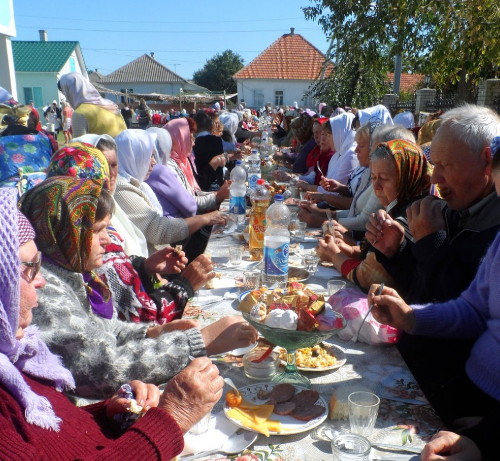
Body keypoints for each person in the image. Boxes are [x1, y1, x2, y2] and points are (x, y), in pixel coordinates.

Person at [0, 187, 224, 459]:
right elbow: (101, 366)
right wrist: (173, 419)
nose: (41, 279)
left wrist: (106, 413)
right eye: (28, 268)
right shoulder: (47, 300)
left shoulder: (17, 352)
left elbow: (52, 430)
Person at [20, 176, 258, 399]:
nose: (108, 240)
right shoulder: (42, 290)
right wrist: (200, 341)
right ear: (64, 232)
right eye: (96, 231)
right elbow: (101, 368)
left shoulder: (64, 272)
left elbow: (95, 328)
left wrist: (150, 333)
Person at [366, 104, 500, 304]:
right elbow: (419, 295)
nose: (434, 178)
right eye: (434, 164)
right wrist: (397, 251)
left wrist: (431, 242)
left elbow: (463, 314)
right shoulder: (452, 211)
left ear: (487, 160)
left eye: (444, 165)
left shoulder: (493, 232)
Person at [317, 139, 431, 293]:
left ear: (407, 178)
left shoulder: (413, 216)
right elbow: (378, 253)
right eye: (373, 178)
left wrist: (333, 254)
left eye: (383, 178)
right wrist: (350, 250)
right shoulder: (397, 206)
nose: (376, 187)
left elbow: (369, 277)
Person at [113, 129, 227, 256]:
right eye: (148, 156)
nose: (154, 162)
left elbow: (192, 193)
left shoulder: (139, 182)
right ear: (133, 157)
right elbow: (158, 230)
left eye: (154, 155)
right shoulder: (122, 188)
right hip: (156, 256)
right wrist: (206, 217)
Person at [58, 72, 127, 137]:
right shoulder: (110, 105)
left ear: (70, 91)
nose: (67, 99)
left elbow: (80, 147)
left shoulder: (80, 114)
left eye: (65, 93)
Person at [192, 110, 226, 191]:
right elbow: (222, 162)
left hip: (202, 184)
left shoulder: (194, 144)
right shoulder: (217, 140)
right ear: (210, 126)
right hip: (216, 182)